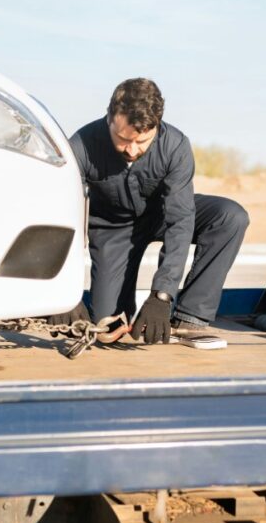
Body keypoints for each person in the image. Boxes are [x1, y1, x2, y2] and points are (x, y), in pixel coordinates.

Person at [50, 78, 249, 345]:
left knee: (230, 216)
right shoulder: (80, 146)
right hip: (112, 228)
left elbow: (180, 220)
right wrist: (63, 294)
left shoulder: (176, 146)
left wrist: (161, 296)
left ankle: (190, 317)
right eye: (122, 139)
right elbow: (60, 216)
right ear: (110, 117)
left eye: (142, 142)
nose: (131, 150)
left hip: (161, 216)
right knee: (109, 326)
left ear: (157, 126)